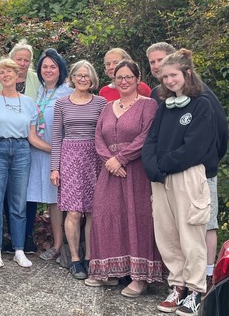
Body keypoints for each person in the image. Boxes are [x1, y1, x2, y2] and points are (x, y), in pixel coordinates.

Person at [142, 49, 220, 315]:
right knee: (167, 235)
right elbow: (151, 140)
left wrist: (162, 164)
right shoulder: (165, 106)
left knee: (190, 234)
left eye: (173, 75)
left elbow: (195, 148)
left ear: (187, 74)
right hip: (162, 178)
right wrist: (151, 166)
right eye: (165, 77)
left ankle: (196, 290)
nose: (169, 81)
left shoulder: (202, 104)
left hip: (187, 175)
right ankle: (177, 286)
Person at [86, 60, 164, 296]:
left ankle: (140, 278)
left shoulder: (148, 105)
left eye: (129, 77)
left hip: (136, 170)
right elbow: (98, 136)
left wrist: (121, 158)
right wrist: (110, 162)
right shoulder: (108, 107)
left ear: (138, 79)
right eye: (120, 77)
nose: (124, 81)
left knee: (136, 218)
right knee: (105, 214)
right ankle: (110, 271)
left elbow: (147, 136)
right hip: (110, 171)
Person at [0, 58, 46, 269]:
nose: (6, 75)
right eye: (2, 72)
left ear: (17, 74)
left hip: (21, 150)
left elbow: (32, 137)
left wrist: (56, 150)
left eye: (10, 71)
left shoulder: (29, 102)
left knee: (18, 203)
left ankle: (19, 249)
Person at [50, 60, 106, 280]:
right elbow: (57, 137)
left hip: (94, 158)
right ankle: (75, 259)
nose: (83, 79)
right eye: (79, 75)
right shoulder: (61, 103)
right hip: (70, 158)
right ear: (72, 78)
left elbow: (104, 134)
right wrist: (55, 168)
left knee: (93, 210)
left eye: (87, 75)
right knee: (73, 211)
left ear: (92, 79)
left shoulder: (101, 102)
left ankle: (91, 259)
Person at [26, 48, 73, 261]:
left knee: (66, 199)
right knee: (51, 198)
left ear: (60, 69)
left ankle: (71, 245)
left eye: (53, 66)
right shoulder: (40, 92)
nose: (48, 70)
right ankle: (56, 244)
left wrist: (62, 152)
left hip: (63, 153)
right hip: (41, 151)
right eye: (44, 66)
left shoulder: (69, 92)